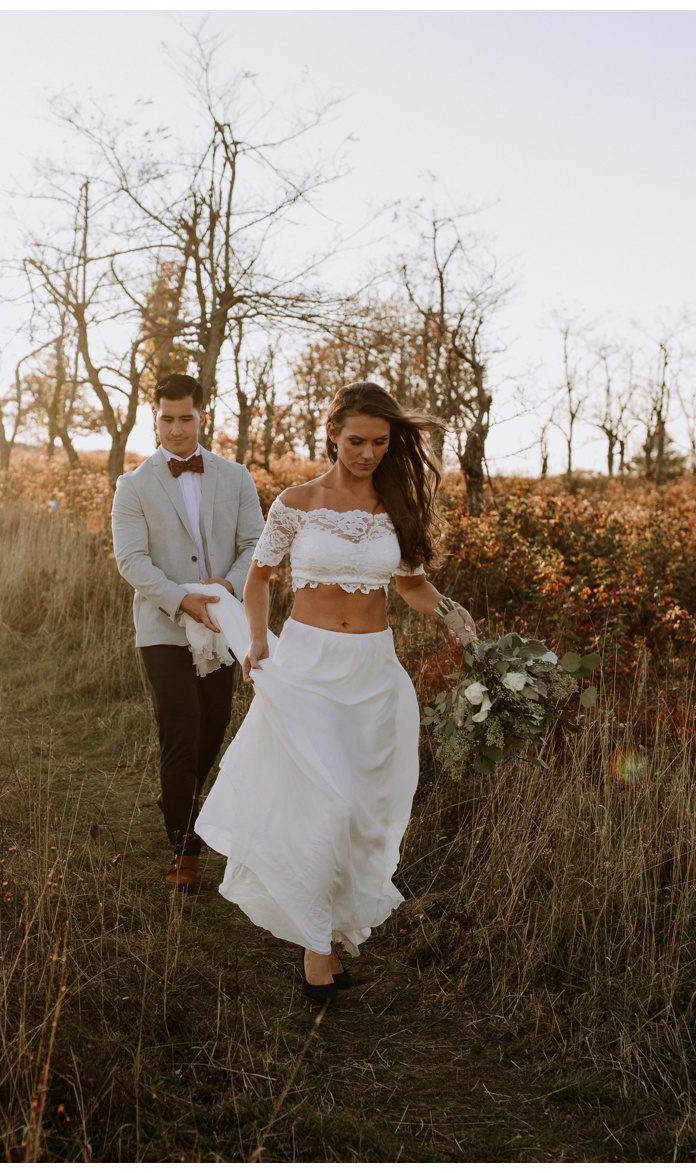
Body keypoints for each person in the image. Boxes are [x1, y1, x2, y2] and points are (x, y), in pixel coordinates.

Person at [194, 381, 478, 1005]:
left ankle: (328, 929)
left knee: (360, 813)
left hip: (372, 672)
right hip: (307, 666)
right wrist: (260, 642)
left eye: (380, 442)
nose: (368, 453)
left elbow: (411, 587)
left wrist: (454, 615)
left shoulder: (395, 507)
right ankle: (316, 948)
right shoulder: (297, 502)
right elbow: (260, 577)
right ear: (332, 434)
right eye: (356, 441)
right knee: (326, 803)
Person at [110, 373, 266, 892]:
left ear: (203, 416)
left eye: (186, 418)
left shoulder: (237, 477)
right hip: (162, 627)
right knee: (180, 728)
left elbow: (256, 546)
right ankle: (183, 847)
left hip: (223, 626)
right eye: (167, 419)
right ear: (154, 417)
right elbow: (131, 560)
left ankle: (175, 796)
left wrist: (226, 586)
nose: (176, 429)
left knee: (212, 726)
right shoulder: (133, 486)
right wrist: (181, 598)